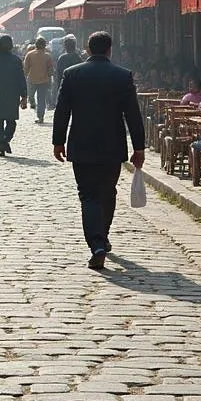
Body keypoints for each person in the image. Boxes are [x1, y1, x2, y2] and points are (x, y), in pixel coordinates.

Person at [52, 31, 146, 270]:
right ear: (109, 50)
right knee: (108, 192)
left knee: (88, 196)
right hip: (112, 145)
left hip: (81, 144)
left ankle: (97, 244)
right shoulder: (122, 76)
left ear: (87, 49)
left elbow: (62, 110)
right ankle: (102, 236)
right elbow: (133, 115)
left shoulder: (72, 74)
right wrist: (139, 147)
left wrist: (58, 141)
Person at [0, 35, 28, 156]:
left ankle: (2, 144)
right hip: (12, 95)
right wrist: (24, 95)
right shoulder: (16, 60)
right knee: (11, 121)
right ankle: (4, 141)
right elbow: (21, 79)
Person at [23, 37, 55, 123]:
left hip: (31, 79)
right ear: (45, 45)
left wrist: (24, 77)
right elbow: (50, 70)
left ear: (36, 45)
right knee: (41, 99)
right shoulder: (47, 56)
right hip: (43, 80)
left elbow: (26, 68)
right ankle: (41, 117)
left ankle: (32, 103)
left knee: (31, 95)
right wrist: (50, 79)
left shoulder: (29, 54)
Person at [54, 36, 83, 109]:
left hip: (64, 86)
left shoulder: (62, 58)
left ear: (65, 46)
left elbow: (58, 74)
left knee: (64, 109)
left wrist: (58, 88)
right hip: (77, 87)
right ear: (74, 46)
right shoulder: (78, 57)